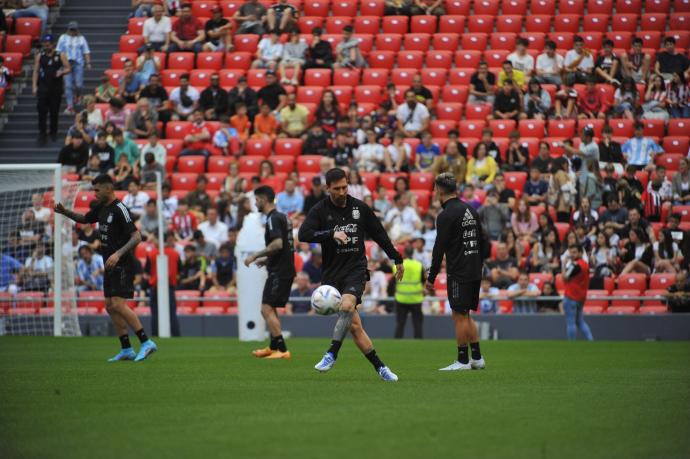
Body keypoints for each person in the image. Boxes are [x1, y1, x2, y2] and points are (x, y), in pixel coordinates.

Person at [298, 168, 404, 381]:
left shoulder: (360, 208)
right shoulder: (320, 210)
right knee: (354, 327)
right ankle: (381, 368)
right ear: (328, 188)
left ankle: (331, 354)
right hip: (332, 274)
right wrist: (330, 234)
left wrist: (397, 258)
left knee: (347, 306)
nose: (342, 192)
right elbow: (303, 234)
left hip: (355, 270)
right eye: (336, 188)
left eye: (345, 187)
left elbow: (379, 234)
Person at [54, 174, 156, 361]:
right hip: (109, 262)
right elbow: (85, 219)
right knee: (110, 306)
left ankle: (146, 342)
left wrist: (118, 254)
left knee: (118, 304)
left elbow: (137, 236)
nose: (95, 193)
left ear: (108, 188)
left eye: (97, 189)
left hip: (122, 263)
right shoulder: (102, 207)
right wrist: (65, 212)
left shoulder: (120, 209)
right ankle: (126, 349)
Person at [426, 172, 488, 370]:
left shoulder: (446, 215)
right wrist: (478, 262)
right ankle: (477, 358)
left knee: (459, 315)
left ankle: (462, 360)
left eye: (435, 188)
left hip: (459, 272)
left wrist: (431, 277)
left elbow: (439, 248)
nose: (434, 191)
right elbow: (484, 241)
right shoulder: (471, 209)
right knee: (466, 315)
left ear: (440, 190)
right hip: (474, 269)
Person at [244, 186, 296, 359]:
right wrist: (266, 260)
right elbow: (287, 247)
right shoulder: (283, 217)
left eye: (257, 200)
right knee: (270, 308)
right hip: (284, 268)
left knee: (265, 308)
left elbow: (278, 244)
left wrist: (255, 255)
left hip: (279, 271)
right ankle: (274, 347)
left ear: (264, 200)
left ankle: (282, 349)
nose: (256, 203)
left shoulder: (273, 218)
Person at [33, 34, 70, 143]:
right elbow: (35, 71)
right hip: (43, 87)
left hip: (56, 88)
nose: (46, 45)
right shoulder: (40, 55)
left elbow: (68, 68)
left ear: (53, 44)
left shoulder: (60, 55)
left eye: (48, 43)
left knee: (54, 112)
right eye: (44, 43)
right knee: (41, 112)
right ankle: (42, 134)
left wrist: (62, 72)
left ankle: (53, 132)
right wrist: (34, 86)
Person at [145, 229, 182, 337]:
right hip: (170, 287)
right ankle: (176, 336)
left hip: (155, 287)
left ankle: (155, 336)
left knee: (155, 314)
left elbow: (147, 271)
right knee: (172, 314)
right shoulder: (175, 254)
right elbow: (179, 270)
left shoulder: (151, 254)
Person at [56, 21, 91, 114]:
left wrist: (88, 62)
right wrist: (59, 64)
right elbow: (58, 51)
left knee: (79, 84)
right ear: (68, 29)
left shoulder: (81, 38)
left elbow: (86, 51)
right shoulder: (63, 38)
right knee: (68, 85)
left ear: (77, 29)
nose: (72, 31)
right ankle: (70, 106)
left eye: (74, 29)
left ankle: (78, 95)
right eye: (71, 29)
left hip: (78, 63)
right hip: (66, 63)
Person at [562, 244, 594, 340]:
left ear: (580, 252)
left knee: (570, 322)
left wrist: (563, 264)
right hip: (581, 297)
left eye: (574, 252)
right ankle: (590, 340)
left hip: (571, 296)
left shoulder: (575, 265)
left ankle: (572, 346)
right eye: (570, 252)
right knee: (580, 321)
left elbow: (564, 278)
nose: (572, 254)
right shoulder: (585, 264)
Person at [392, 246, 425, 339]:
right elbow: (423, 280)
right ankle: (419, 345)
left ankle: (397, 345)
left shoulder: (397, 266)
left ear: (404, 254)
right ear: (413, 253)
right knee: (417, 324)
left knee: (400, 324)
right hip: (416, 299)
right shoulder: (419, 265)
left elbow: (393, 282)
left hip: (401, 298)